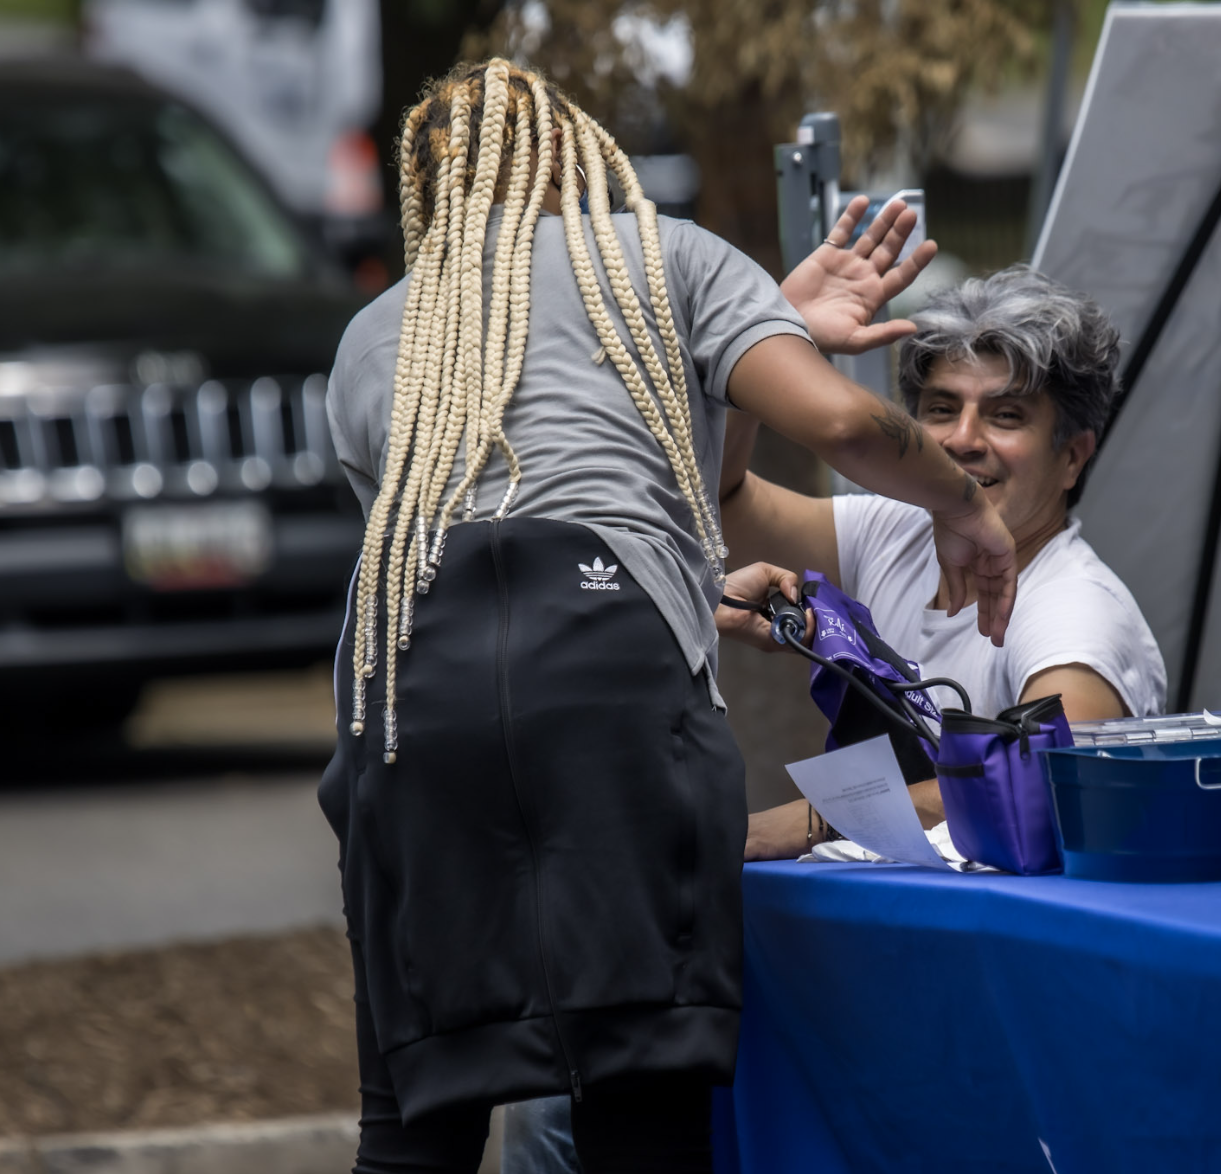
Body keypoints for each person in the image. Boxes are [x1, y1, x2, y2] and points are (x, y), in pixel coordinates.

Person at [317, 59, 1016, 1174]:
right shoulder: (665, 254)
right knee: (640, 1105)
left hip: (401, 705)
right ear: (574, 152)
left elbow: (470, 564)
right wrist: (967, 505)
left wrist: (688, 580)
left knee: (413, 1121)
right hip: (607, 689)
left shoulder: (374, 335)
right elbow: (838, 421)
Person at [728, 255, 1168, 861]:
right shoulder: (895, 527)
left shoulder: (1076, 610)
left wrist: (800, 824)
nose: (963, 439)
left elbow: (1041, 775)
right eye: (940, 409)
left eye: (1005, 414)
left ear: (1074, 456)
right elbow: (725, 500)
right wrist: (764, 338)